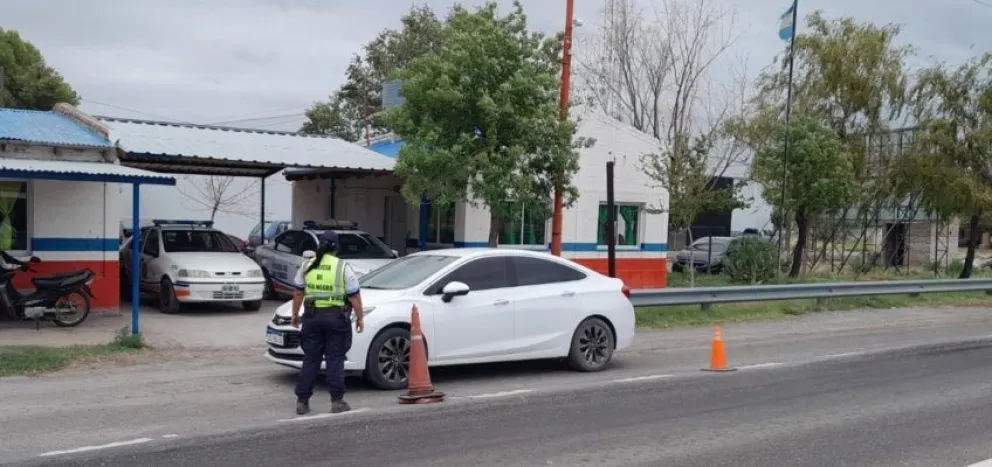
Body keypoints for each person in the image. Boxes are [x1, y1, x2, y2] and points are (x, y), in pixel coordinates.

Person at [291, 230, 365, 415]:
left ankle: (302, 401)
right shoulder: (342, 267)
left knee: (311, 360)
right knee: (335, 360)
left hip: (312, 317)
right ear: (336, 247)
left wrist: (295, 314)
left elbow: (299, 292)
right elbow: (354, 296)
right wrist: (360, 317)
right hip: (336, 319)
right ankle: (337, 401)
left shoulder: (307, 265)